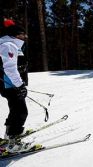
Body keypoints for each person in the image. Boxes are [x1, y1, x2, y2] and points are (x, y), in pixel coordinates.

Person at [0, 19, 30, 153]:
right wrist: (20, 85)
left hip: (11, 85)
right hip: (11, 85)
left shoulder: (12, 45)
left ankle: (9, 135)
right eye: (23, 34)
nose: (25, 37)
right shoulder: (9, 45)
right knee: (21, 111)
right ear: (16, 35)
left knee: (15, 110)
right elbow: (10, 68)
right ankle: (13, 142)